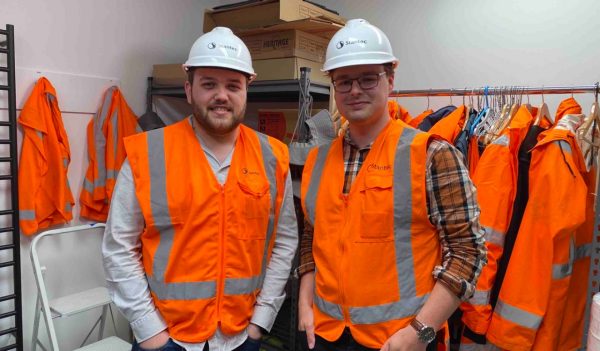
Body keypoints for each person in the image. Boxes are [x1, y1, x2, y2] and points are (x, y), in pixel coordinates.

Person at [102, 27, 298, 351]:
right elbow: (119, 245)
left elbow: (284, 241)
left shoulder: (273, 156)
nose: (221, 95)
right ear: (189, 89)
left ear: (247, 89)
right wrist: (148, 329)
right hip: (167, 338)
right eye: (209, 84)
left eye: (233, 85)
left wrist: (262, 320)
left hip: (241, 337)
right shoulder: (149, 154)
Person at [297, 19, 487, 351]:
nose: (355, 90)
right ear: (333, 87)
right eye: (343, 81)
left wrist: (420, 334)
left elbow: (468, 254)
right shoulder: (316, 160)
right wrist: (304, 305)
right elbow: (312, 238)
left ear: (391, 80)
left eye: (368, 78)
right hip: (325, 335)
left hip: (400, 341)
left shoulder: (432, 155)